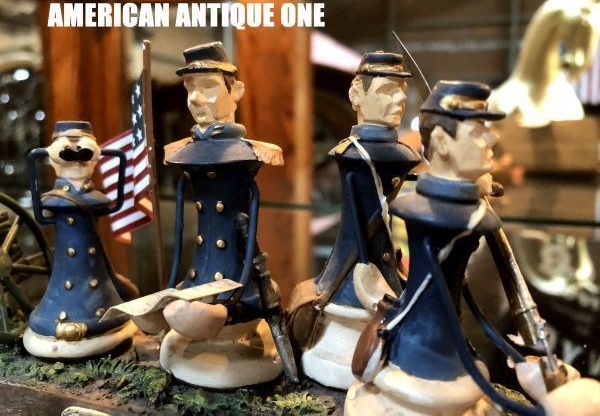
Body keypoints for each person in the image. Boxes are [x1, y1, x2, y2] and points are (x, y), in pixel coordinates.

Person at [347, 80, 600, 416]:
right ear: (441, 142)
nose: (492, 138)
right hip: (424, 351)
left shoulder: (473, 212)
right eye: (478, 130)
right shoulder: (444, 214)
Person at [158, 41, 290, 388]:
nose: (195, 99)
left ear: (237, 92)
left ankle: (224, 315)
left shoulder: (252, 152)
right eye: (190, 88)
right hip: (197, 274)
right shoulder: (183, 151)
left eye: (208, 87)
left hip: (237, 280)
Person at [288, 51, 420, 389]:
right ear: (357, 96)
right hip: (357, 266)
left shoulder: (393, 154)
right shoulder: (355, 154)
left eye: (402, 91)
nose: (399, 100)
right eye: (387, 91)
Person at [24, 121, 137, 358]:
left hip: (95, 270)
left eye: (84, 154)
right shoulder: (54, 199)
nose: (76, 161)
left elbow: (113, 205)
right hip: (64, 267)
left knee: (97, 282)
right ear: (52, 158)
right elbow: (42, 216)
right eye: (67, 154)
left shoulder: (94, 198)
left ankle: (102, 320)